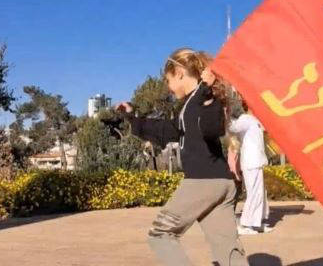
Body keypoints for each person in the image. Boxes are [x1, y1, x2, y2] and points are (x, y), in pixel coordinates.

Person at [115, 48, 247, 266]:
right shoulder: (189, 106)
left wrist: (206, 92)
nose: (167, 87)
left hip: (203, 181)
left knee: (160, 234)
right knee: (228, 249)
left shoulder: (202, 99)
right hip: (221, 182)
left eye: (168, 80)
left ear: (179, 73)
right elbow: (166, 130)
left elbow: (212, 127)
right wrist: (132, 117)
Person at [229, 99, 271, 235]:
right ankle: (245, 224)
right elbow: (233, 127)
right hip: (250, 161)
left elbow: (268, 127)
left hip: (257, 161)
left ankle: (256, 222)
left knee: (260, 193)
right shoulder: (246, 119)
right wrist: (224, 113)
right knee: (253, 193)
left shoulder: (255, 120)